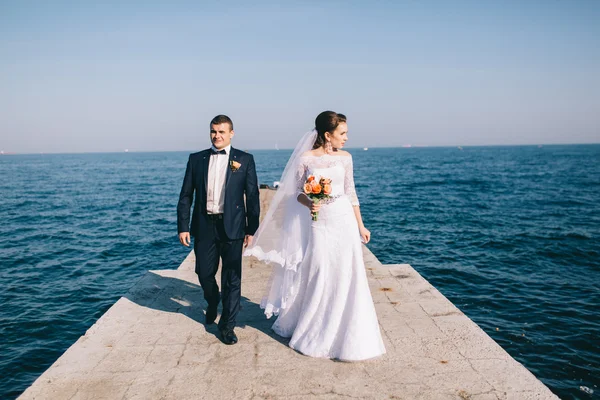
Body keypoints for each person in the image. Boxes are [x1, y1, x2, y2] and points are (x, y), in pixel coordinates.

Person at [244, 111, 385, 361]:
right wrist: (310, 203)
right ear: (328, 135)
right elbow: (296, 192)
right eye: (343, 133)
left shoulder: (346, 158)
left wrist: (361, 226)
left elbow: (351, 194)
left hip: (343, 221)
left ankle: (347, 333)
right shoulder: (306, 159)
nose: (346, 138)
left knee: (347, 273)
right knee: (320, 270)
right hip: (319, 222)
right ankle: (315, 327)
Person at [177, 114, 260, 345]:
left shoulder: (244, 159)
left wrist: (252, 229)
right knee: (203, 273)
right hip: (204, 225)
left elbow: (252, 196)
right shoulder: (196, 159)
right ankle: (212, 301)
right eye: (214, 131)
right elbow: (186, 195)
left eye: (222, 132)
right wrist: (183, 226)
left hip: (233, 227)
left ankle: (227, 326)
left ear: (231, 133)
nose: (217, 136)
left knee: (232, 279)